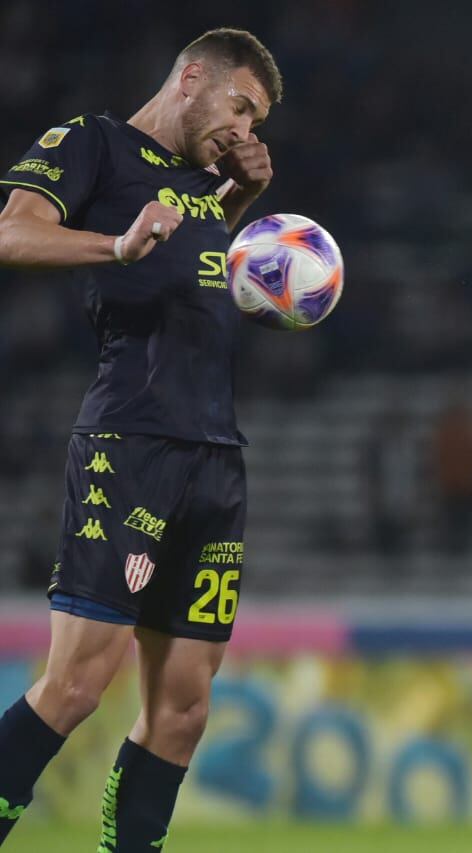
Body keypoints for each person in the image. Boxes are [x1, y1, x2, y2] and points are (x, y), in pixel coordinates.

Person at [0, 28, 282, 851]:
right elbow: (10, 232)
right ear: (190, 77)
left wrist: (239, 201)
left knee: (185, 706)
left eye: (257, 120)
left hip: (215, 456)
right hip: (131, 440)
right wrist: (114, 243)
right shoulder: (91, 144)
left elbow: (185, 269)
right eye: (239, 106)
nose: (244, 130)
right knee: (78, 682)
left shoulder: (202, 183)